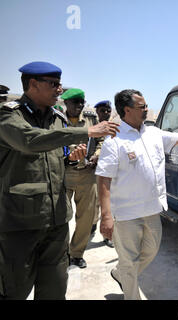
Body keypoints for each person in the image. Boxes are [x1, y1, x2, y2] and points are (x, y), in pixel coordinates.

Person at [0, 61, 120, 300]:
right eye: (54, 84)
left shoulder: (57, 118)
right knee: (14, 291)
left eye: (60, 84)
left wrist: (72, 160)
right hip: (20, 223)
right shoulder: (8, 115)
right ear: (33, 84)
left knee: (55, 290)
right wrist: (87, 131)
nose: (59, 90)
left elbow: (56, 160)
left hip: (56, 221)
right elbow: (30, 141)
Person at [96, 89, 178, 300]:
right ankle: (130, 292)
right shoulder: (114, 140)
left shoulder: (153, 133)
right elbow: (103, 179)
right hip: (126, 214)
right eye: (142, 106)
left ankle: (121, 274)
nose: (146, 109)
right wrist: (106, 215)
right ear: (127, 110)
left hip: (152, 209)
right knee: (130, 261)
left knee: (150, 251)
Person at [62, 88, 104, 268]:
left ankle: (76, 253)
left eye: (82, 102)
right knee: (62, 217)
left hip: (87, 174)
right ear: (66, 103)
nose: (79, 105)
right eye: (75, 102)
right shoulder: (57, 120)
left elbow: (101, 139)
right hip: (64, 174)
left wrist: (97, 154)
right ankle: (60, 254)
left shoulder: (91, 119)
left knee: (86, 217)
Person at [90, 100, 114, 248]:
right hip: (93, 170)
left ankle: (107, 236)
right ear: (97, 112)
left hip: (110, 172)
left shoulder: (115, 127)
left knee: (108, 203)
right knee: (94, 203)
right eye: (103, 110)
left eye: (108, 110)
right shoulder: (91, 127)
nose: (106, 113)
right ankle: (92, 224)